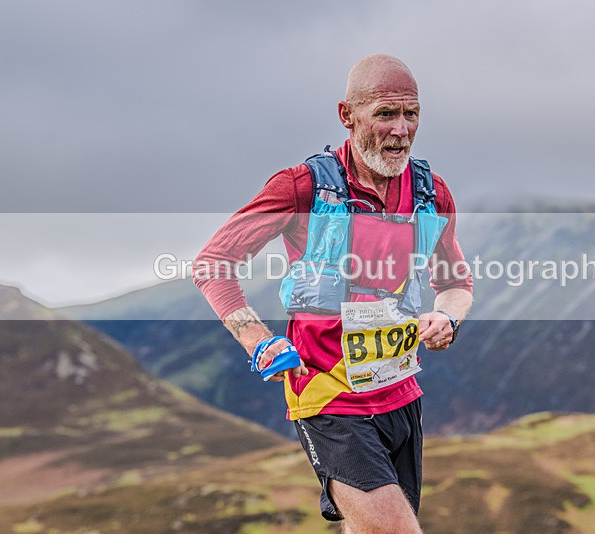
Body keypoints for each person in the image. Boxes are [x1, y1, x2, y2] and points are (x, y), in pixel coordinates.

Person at [194, 54, 473, 533]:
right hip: (328, 397)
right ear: (347, 116)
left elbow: (456, 284)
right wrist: (259, 341)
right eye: (385, 114)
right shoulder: (301, 188)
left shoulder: (431, 193)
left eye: (412, 115)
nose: (402, 130)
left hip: (400, 394)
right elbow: (213, 265)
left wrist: (447, 318)